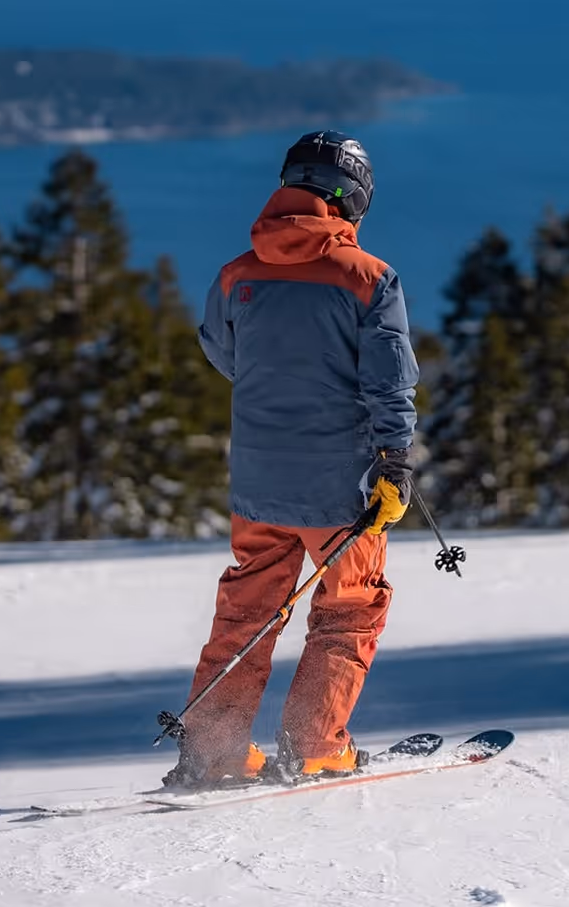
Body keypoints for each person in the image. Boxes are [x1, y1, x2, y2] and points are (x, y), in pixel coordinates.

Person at [165, 130, 419, 790]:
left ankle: (212, 752)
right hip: (341, 488)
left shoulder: (237, 275)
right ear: (354, 199)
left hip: (256, 481)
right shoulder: (368, 279)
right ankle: (314, 745)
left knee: (247, 610)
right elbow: (389, 383)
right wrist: (395, 461)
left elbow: (228, 359)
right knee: (348, 607)